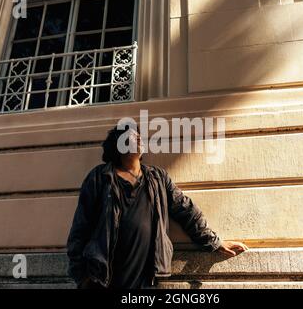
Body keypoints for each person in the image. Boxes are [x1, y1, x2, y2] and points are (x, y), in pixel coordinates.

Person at [66, 124, 248, 289]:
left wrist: (214, 242)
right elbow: (81, 227)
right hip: (103, 279)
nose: (138, 137)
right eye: (130, 135)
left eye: (138, 135)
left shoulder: (157, 178)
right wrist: (81, 277)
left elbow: (185, 209)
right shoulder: (100, 178)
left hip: (145, 280)